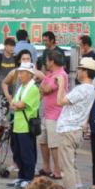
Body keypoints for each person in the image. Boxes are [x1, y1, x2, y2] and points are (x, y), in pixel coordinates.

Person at [55, 56, 95, 189]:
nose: (77, 71)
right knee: (71, 163)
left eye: (80, 69)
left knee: (66, 165)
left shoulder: (82, 89)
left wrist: (61, 84)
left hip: (68, 130)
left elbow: (60, 101)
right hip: (76, 129)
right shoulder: (91, 89)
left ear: (85, 71)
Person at [8, 61, 41, 189]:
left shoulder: (33, 89)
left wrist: (15, 104)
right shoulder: (21, 87)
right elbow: (14, 104)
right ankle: (22, 176)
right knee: (18, 153)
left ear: (29, 74)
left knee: (27, 153)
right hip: (17, 125)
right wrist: (16, 104)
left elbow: (20, 104)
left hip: (26, 126)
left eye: (22, 72)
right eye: (19, 72)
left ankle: (29, 178)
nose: (19, 75)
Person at [37, 50, 69, 178]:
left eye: (47, 60)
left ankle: (57, 170)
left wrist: (42, 80)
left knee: (54, 144)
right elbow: (43, 89)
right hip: (46, 113)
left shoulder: (61, 75)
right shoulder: (51, 74)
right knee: (43, 141)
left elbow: (46, 89)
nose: (45, 63)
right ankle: (46, 167)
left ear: (52, 61)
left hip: (55, 115)